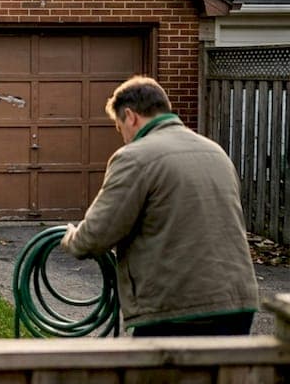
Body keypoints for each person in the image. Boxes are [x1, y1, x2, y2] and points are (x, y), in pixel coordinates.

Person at [61, 76, 259, 336]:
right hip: (237, 303)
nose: (123, 139)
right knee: (222, 378)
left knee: (155, 378)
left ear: (130, 116)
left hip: (176, 309)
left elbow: (96, 235)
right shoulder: (214, 151)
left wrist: (70, 238)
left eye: (119, 128)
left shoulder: (134, 157)